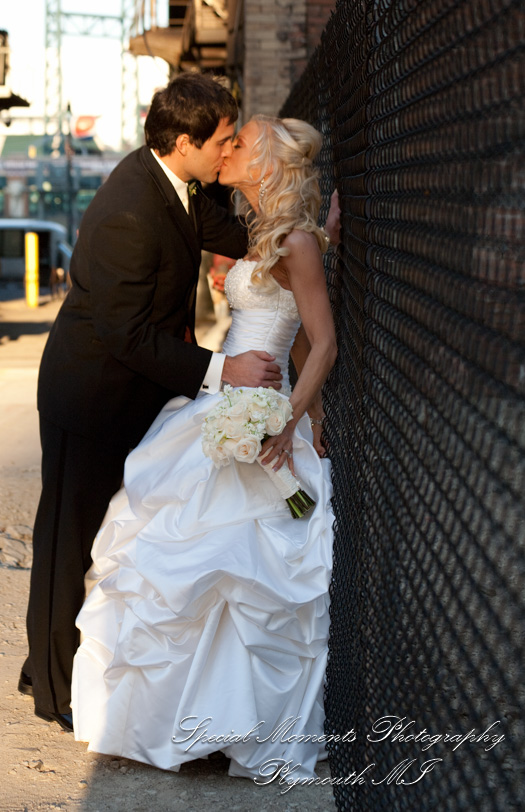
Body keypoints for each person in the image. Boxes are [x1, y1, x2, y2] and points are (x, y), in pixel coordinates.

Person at [71, 115, 337, 780]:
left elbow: (321, 342)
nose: (228, 149)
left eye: (239, 143)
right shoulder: (263, 231)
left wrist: (292, 419)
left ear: (267, 162)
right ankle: (177, 724)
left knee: (238, 574)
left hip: (263, 415)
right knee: (176, 565)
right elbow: (290, 332)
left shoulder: (295, 241)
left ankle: (230, 729)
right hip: (223, 405)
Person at [20, 74, 283, 732]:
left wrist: (304, 230)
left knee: (118, 535)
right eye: (222, 141)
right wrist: (225, 369)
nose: (228, 151)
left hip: (136, 394)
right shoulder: (130, 211)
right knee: (67, 543)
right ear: (185, 142)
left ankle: (49, 660)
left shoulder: (176, 181)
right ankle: (52, 690)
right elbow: (126, 335)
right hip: (89, 397)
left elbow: (237, 237)